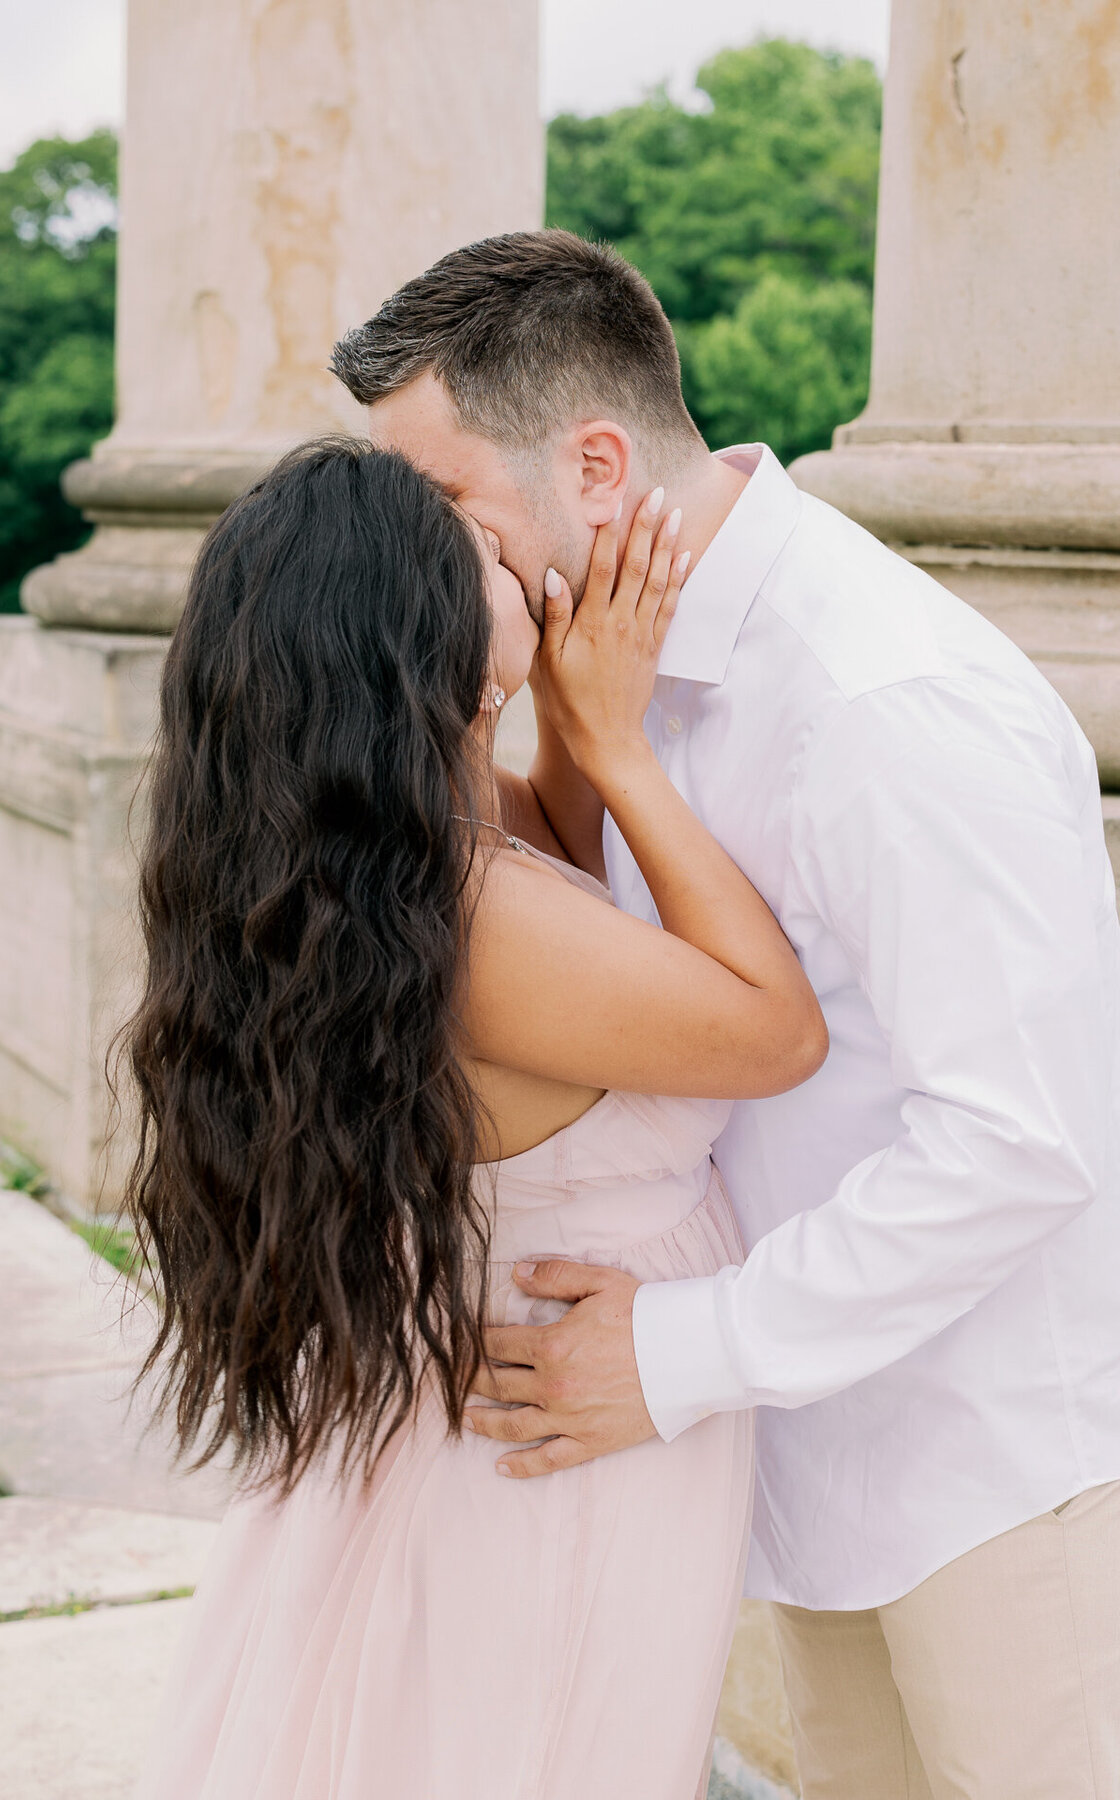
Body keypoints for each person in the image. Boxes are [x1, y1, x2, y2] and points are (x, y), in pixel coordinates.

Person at [331, 228, 1120, 1800]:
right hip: (803, 1458)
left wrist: (683, 1352)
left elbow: (1027, 1138)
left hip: (999, 1479)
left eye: (449, 509)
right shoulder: (603, 677)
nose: (426, 562)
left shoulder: (881, 702)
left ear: (600, 464)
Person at [126, 437, 827, 1800]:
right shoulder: (469, 919)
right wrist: (622, 749)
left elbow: (564, 868)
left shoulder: (387, 854)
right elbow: (774, 1029)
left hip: (497, 1412)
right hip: (549, 1448)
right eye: (500, 564)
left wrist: (556, 721)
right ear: (424, 643)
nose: (536, 561)